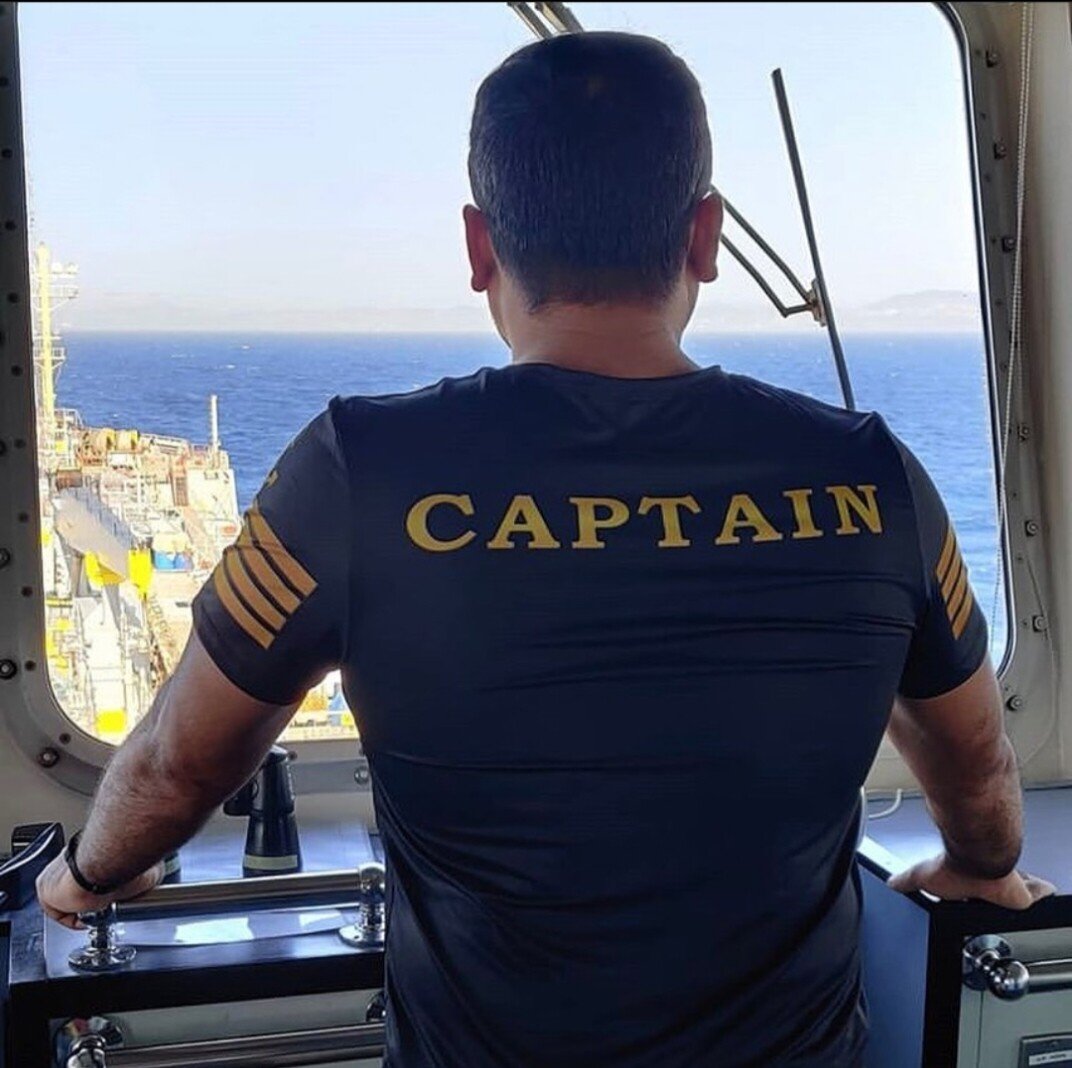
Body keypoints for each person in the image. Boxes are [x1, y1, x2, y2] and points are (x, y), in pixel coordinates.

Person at [38, 31, 1052, 1068]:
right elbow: (975, 765)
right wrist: (985, 867)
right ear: (703, 236)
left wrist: (90, 876)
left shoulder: (360, 468)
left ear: (481, 247)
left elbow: (174, 766)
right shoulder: (873, 476)